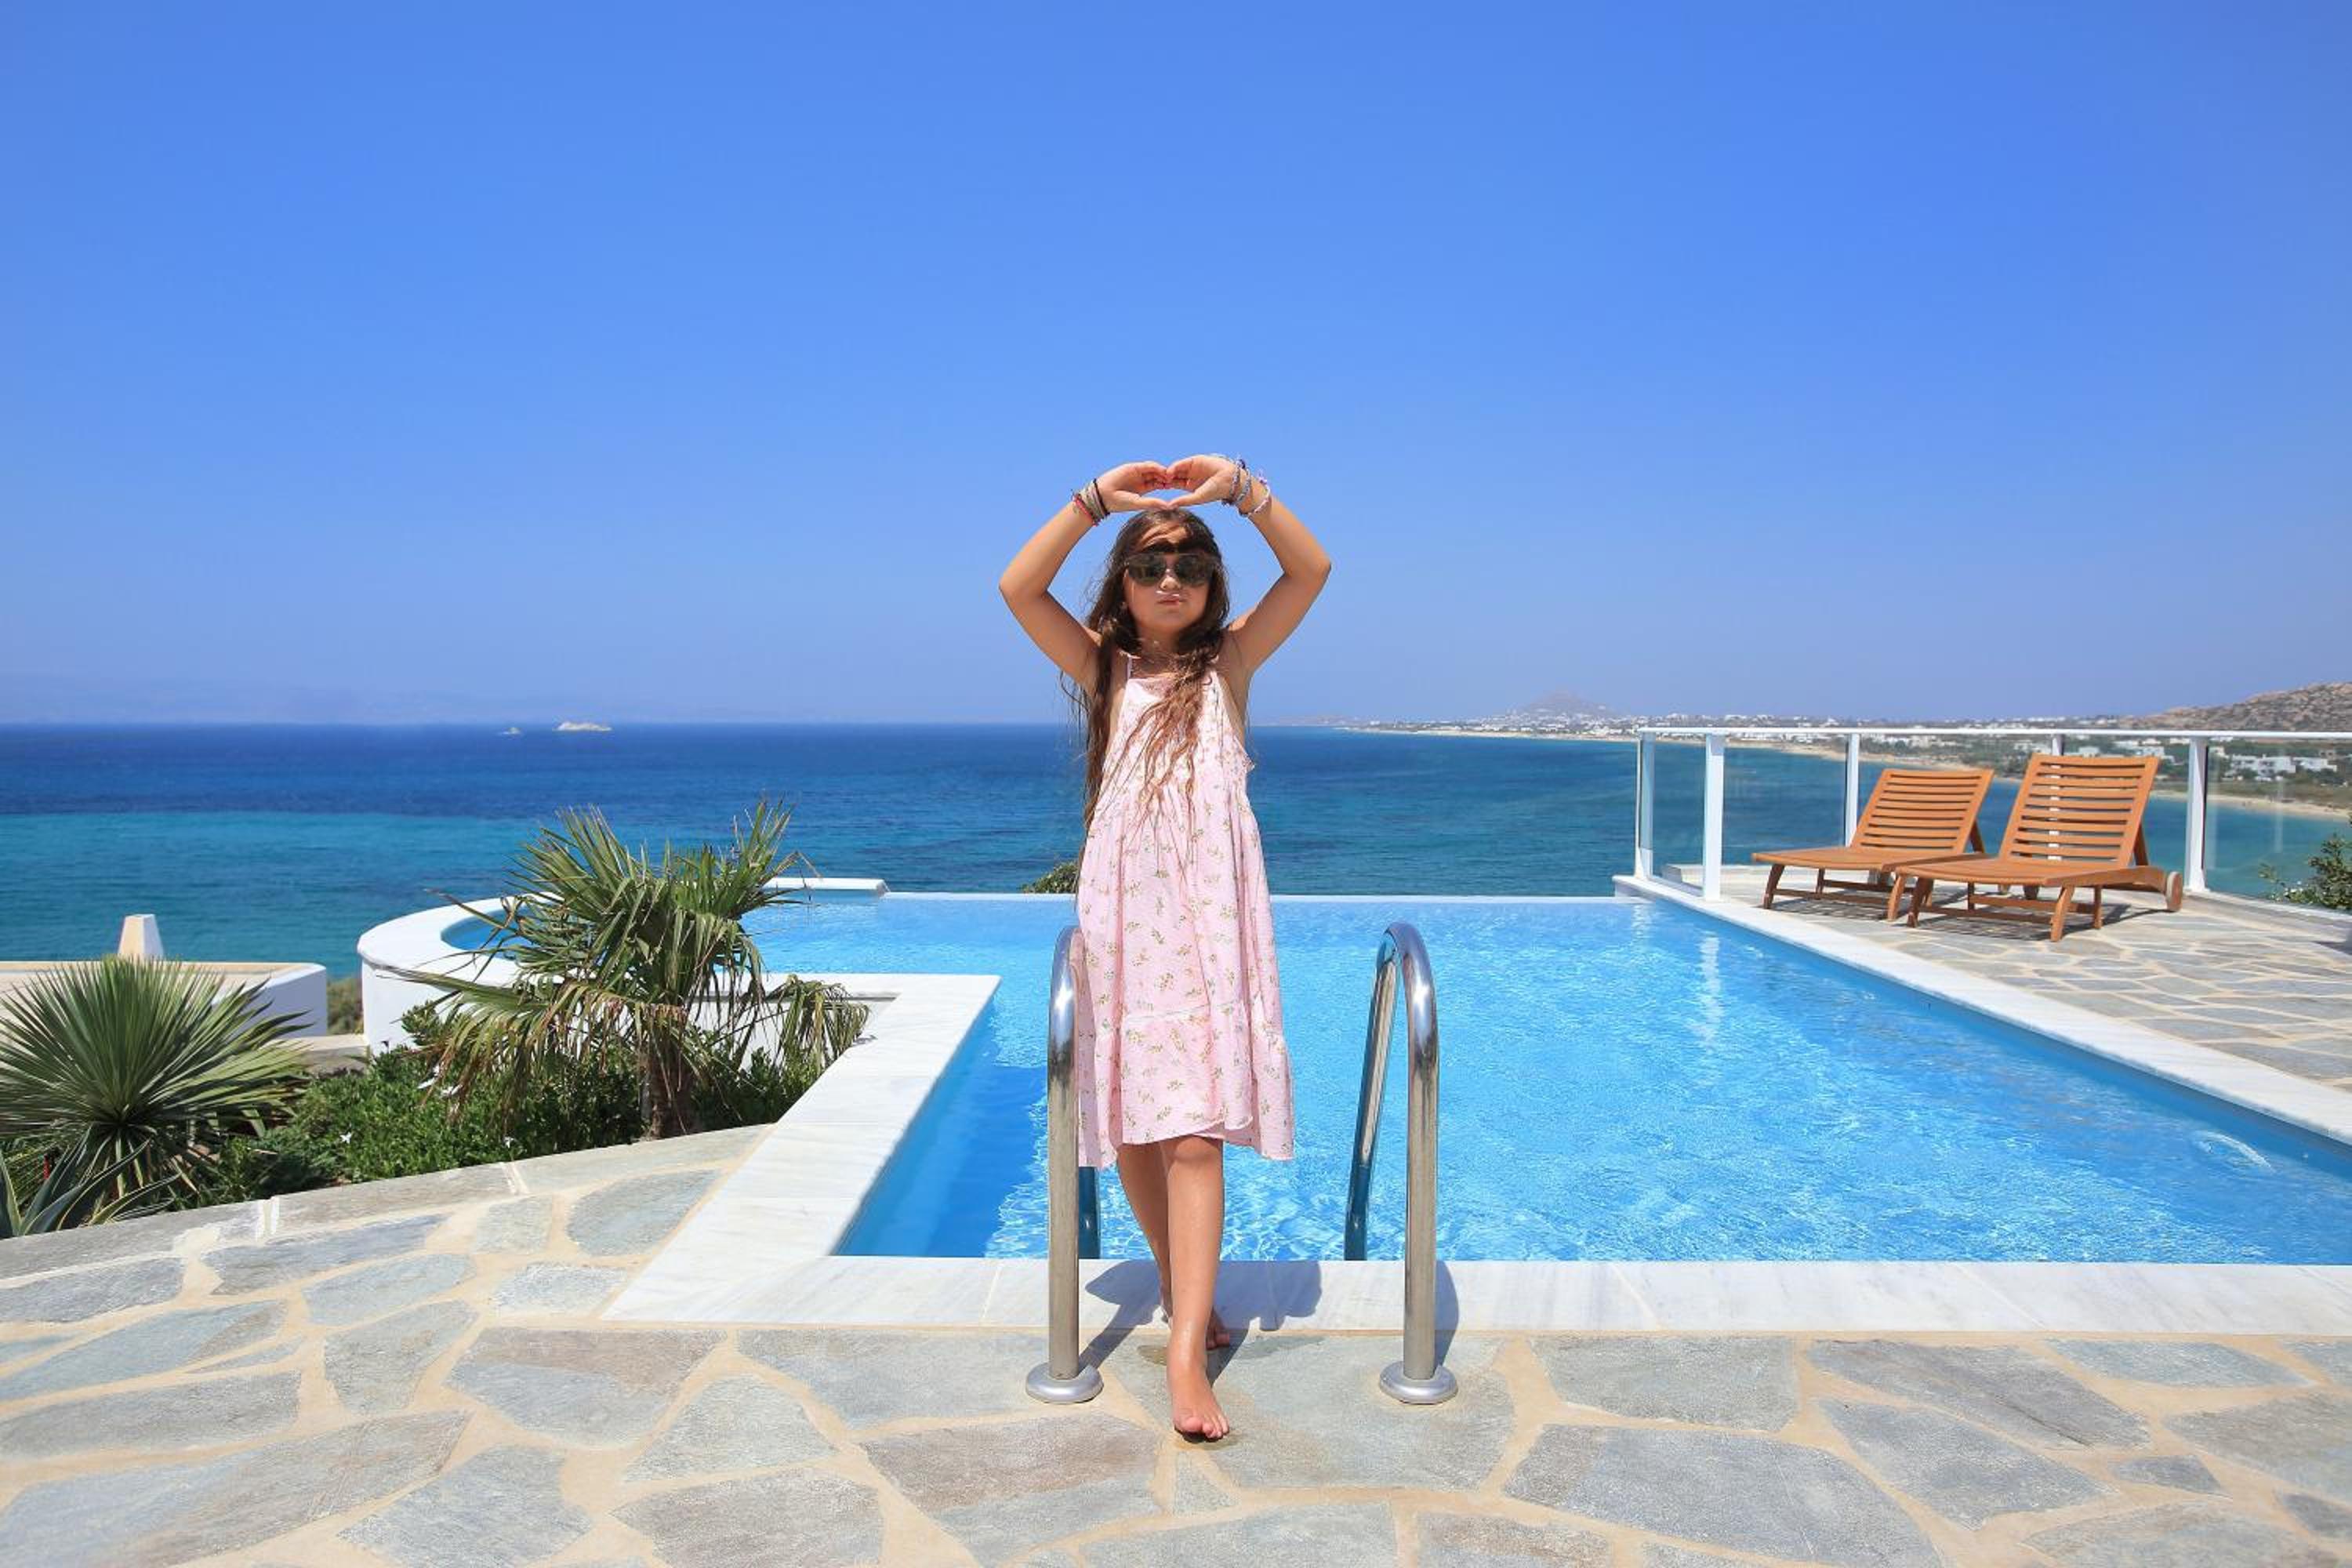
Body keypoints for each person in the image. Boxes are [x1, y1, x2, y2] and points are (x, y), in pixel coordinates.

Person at [999, 452, 1331, 1439]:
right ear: (1124, 583)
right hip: (1126, 920)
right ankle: (1187, 1289)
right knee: (1141, 1127)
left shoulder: (1229, 665)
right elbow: (1018, 587)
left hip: (1209, 925)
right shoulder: (1108, 670)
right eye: (1149, 564)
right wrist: (1095, 502)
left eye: (1188, 561)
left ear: (1211, 579)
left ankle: (1187, 1349)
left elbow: (1311, 569)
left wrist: (1242, 490)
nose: (1170, 576)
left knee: (1193, 1132)